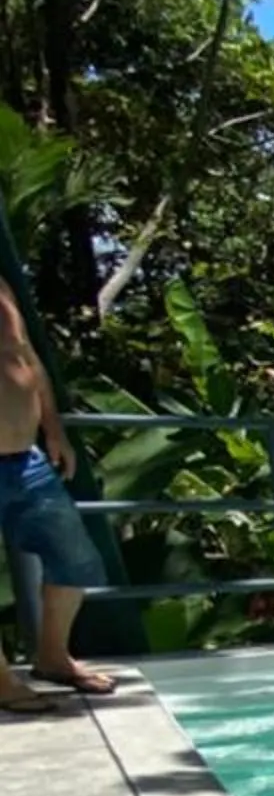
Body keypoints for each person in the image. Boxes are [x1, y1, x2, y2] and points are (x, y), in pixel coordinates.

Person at [0, 275, 115, 706]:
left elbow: (26, 358)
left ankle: (52, 657)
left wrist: (54, 432)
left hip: (26, 459)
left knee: (75, 558)